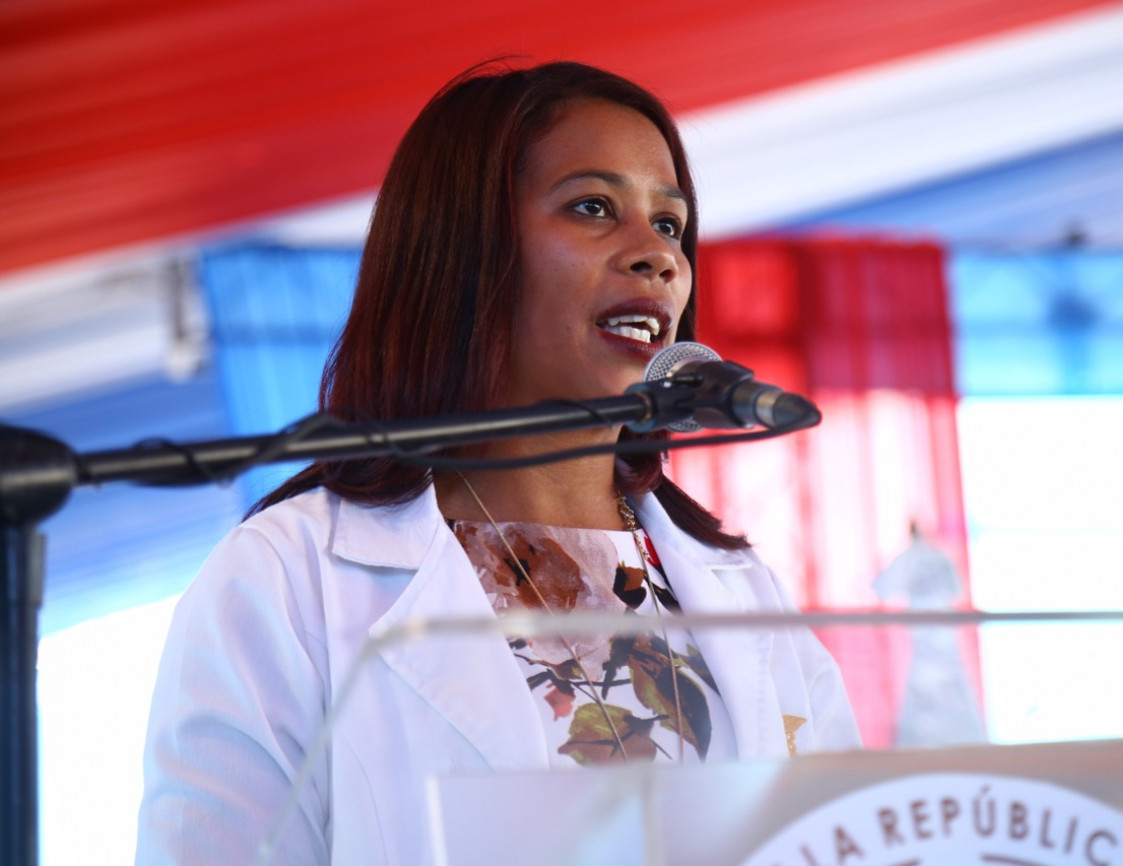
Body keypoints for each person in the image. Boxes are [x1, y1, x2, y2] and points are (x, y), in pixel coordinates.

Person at [135, 60, 860, 865]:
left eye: (668, 225)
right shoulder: (287, 578)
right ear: (465, 250)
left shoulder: (736, 584)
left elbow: (846, 838)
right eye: (593, 207)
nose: (658, 257)